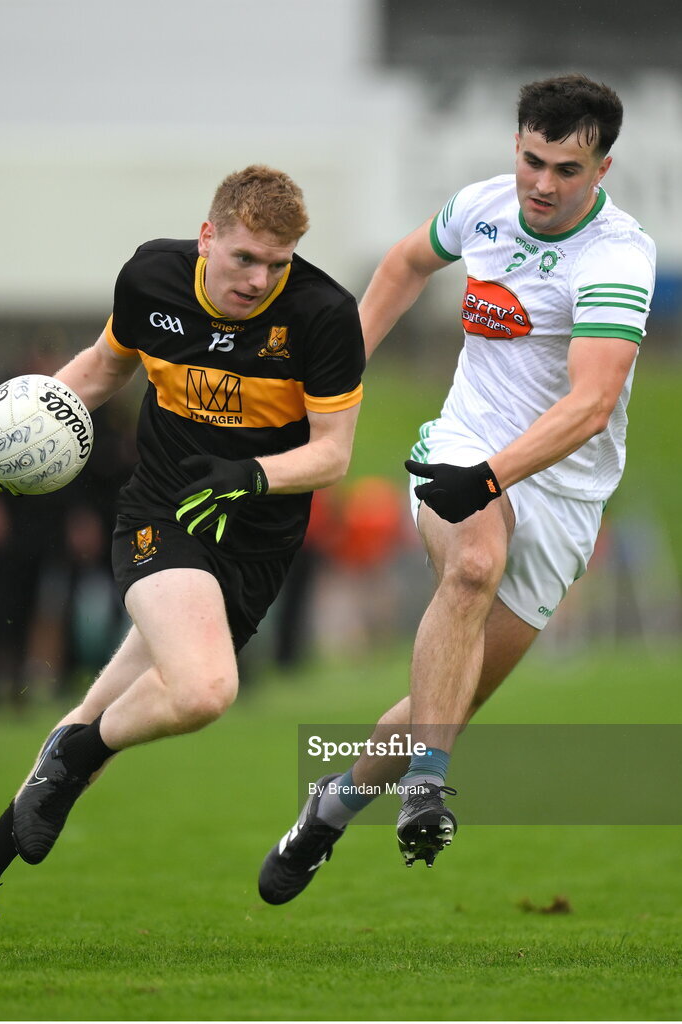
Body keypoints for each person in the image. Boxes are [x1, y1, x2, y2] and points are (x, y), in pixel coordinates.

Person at [0, 165, 365, 951]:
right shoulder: (152, 277)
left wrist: (254, 476)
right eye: (243, 258)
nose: (259, 279)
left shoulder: (323, 315)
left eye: (277, 263)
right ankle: (76, 754)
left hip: (255, 544)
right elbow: (101, 369)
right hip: (162, 515)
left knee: (105, 710)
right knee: (201, 692)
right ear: (207, 238)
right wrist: (13, 432)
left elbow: (333, 454)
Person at [258, 73, 656, 904]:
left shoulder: (617, 256)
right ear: (515, 147)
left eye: (566, 170)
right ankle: (429, 789)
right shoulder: (481, 207)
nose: (542, 184)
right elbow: (405, 262)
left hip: (560, 490)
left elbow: (588, 406)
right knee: (472, 565)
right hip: (464, 443)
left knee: (438, 706)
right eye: (531, 160)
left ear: (602, 170)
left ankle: (328, 808)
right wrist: (342, 374)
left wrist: (491, 476)